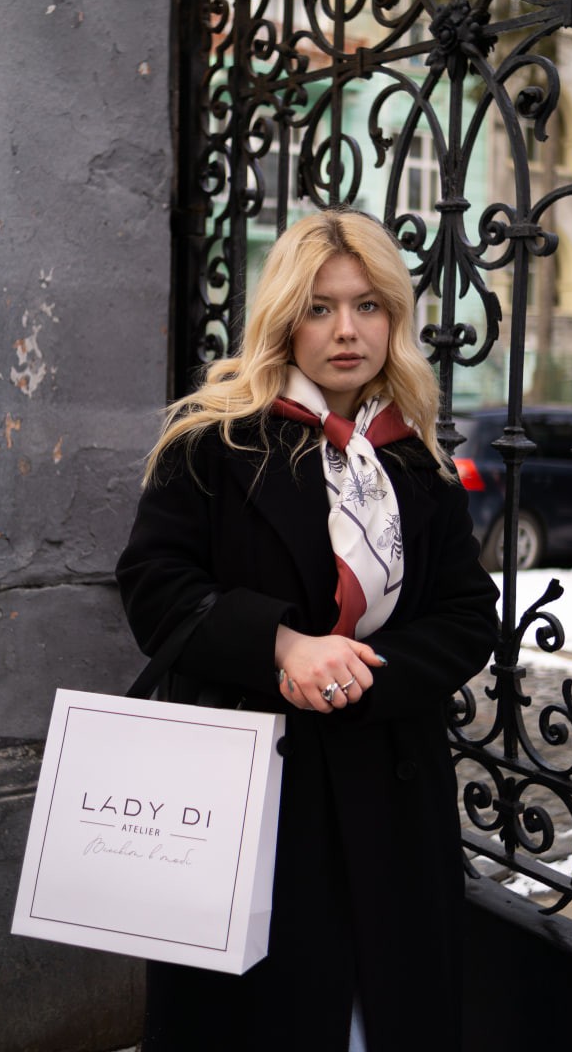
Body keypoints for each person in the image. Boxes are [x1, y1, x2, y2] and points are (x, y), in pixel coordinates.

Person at [116, 208, 499, 1052]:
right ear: (284, 319)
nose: (345, 330)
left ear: (392, 319)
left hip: (387, 784)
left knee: (382, 1007)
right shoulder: (213, 440)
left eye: (367, 306)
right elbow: (154, 585)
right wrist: (283, 646)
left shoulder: (415, 460)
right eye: (319, 308)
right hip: (250, 788)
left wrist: (365, 671)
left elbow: (467, 611)